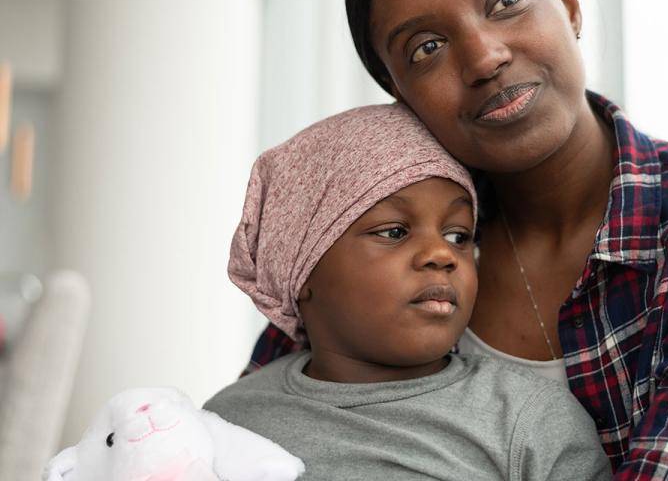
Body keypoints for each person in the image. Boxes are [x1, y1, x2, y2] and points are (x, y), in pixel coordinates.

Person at [245, 0, 668, 480]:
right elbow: (251, 439)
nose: (484, 57)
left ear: (568, 4)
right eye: (427, 47)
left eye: (506, 0)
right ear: (398, 92)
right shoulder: (374, 243)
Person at [204, 103, 612, 480]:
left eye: (458, 235)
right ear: (301, 272)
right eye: (395, 232)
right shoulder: (228, 421)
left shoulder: (530, 420)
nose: (442, 254)